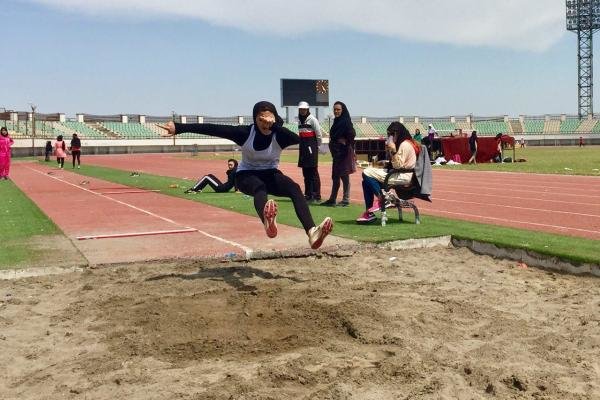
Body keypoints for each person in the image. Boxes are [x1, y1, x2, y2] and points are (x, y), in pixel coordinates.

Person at [158, 101, 333, 249]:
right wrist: (179, 127)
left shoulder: (280, 135)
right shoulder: (244, 133)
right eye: (261, 120)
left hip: (271, 173)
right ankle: (267, 220)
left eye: (268, 120)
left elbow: (298, 139)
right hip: (245, 176)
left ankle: (312, 232)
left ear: (274, 119)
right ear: (255, 119)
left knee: (294, 188)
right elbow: (212, 128)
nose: (265, 124)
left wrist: (276, 125)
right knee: (260, 189)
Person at [356, 122, 419, 223]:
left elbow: (398, 166)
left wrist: (393, 150)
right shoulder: (401, 143)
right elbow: (395, 164)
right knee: (366, 182)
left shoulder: (405, 144)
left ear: (398, 133)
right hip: (396, 173)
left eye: (392, 134)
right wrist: (385, 158)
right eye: (388, 134)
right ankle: (369, 213)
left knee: (366, 173)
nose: (390, 137)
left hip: (403, 176)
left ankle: (384, 199)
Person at [320, 101, 356, 207]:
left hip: (344, 152)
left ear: (342, 110)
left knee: (344, 176)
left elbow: (351, 134)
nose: (336, 111)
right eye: (335, 109)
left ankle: (346, 199)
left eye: (338, 109)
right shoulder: (336, 122)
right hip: (336, 153)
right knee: (335, 176)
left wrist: (345, 144)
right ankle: (332, 199)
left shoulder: (346, 122)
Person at [297, 101, 323, 203]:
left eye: (304, 109)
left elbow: (319, 135)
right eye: (301, 109)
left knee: (313, 172)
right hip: (303, 148)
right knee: (305, 172)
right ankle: (308, 194)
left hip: (312, 147)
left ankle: (316, 195)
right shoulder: (299, 120)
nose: (302, 111)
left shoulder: (312, 119)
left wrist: (317, 147)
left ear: (307, 109)